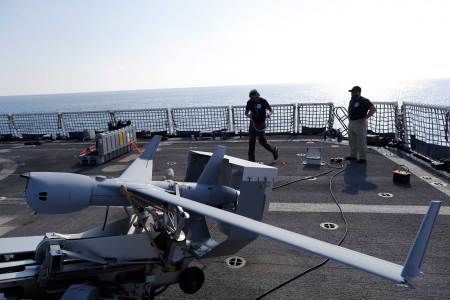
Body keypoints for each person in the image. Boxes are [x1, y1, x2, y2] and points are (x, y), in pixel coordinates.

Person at [245, 89, 279, 162]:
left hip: (261, 124)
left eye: (255, 98)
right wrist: (248, 115)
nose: (253, 100)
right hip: (253, 124)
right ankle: (251, 161)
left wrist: (269, 114)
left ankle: (274, 150)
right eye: (251, 98)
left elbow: (270, 110)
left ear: (258, 96)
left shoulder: (263, 101)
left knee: (262, 142)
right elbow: (246, 112)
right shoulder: (249, 102)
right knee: (251, 142)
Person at [346, 86, 376, 164]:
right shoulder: (352, 100)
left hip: (360, 124)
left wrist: (365, 118)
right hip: (351, 123)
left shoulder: (364, 100)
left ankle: (363, 158)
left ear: (358, 92)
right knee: (352, 141)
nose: (351, 93)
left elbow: (373, 109)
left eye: (353, 92)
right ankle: (353, 156)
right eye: (351, 92)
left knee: (361, 141)